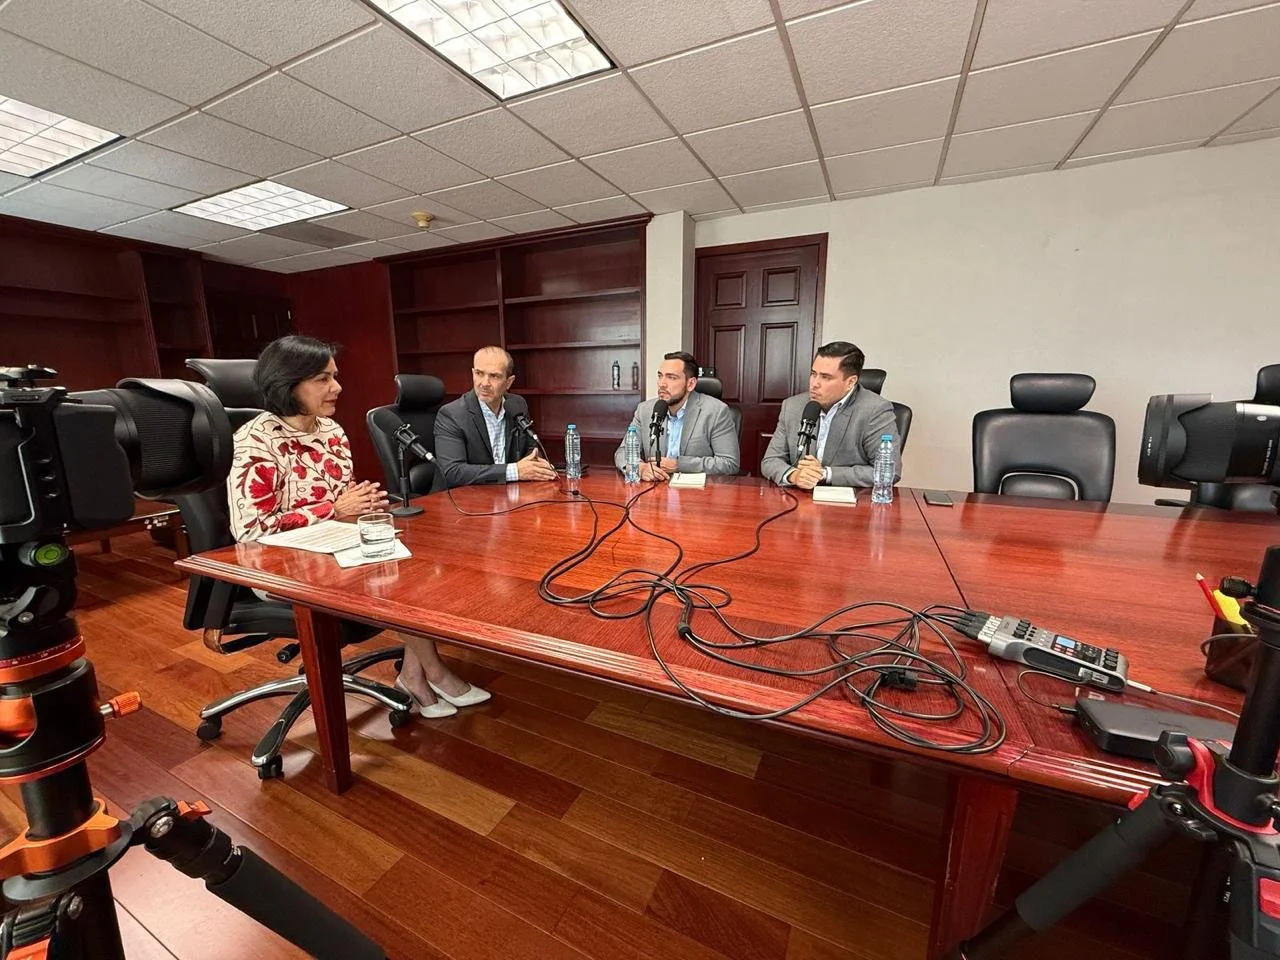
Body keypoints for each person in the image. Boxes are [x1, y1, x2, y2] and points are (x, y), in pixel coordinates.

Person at [227, 335, 489, 718]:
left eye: (334, 376)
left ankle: (415, 678)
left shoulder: (331, 432)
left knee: (427, 565)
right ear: (288, 384)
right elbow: (252, 532)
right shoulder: (254, 442)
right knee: (402, 580)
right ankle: (433, 673)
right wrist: (333, 509)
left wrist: (362, 506)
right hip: (278, 565)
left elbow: (342, 502)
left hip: (338, 546)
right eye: (323, 379)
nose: (337, 387)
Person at [760, 341, 900, 489]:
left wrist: (825, 474)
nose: (814, 384)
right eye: (813, 374)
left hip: (850, 504)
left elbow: (888, 472)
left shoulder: (875, 410)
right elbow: (770, 460)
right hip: (799, 500)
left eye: (826, 377)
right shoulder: (793, 406)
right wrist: (794, 475)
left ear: (850, 382)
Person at [433, 345, 557, 489]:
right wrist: (515, 471)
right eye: (479, 373)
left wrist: (536, 465)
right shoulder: (451, 414)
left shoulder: (517, 405)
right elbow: (453, 472)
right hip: (460, 501)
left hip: (504, 495)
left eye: (494, 376)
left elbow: (530, 447)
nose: (484, 383)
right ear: (472, 373)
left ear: (509, 382)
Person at [614, 351, 740, 480]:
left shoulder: (716, 411)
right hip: (654, 491)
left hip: (696, 494)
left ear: (690, 384)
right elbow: (622, 452)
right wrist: (639, 468)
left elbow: (729, 463)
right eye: (660, 376)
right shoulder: (645, 410)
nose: (661, 383)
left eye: (671, 377)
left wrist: (679, 465)